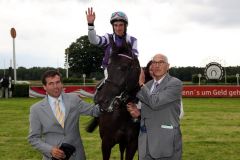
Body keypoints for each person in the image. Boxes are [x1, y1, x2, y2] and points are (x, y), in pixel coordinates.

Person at [28, 70, 100, 160]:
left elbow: (95, 111)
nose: (56, 87)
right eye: (51, 83)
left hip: (77, 155)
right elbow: (33, 138)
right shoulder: (36, 109)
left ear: (62, 83)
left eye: (58, 82)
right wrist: (50, 150)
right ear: (44, 87)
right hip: (52, 157)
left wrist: (111, 98)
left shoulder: (74, 99)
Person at [127, 53, 183, 160]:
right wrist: (139, 113)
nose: (157, 65)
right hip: (145, 143)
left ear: (168, 66)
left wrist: (141, 84)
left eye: (161, 62)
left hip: (165, 142)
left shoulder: (175, 83)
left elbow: (155, 102)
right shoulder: (148, 86)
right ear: (151, 66)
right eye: (154, 62)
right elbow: (150, 108)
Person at [86, 7, 139, 78]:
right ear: (113, 26)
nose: (118, 28)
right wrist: (90, 25)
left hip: (126, 73)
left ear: (125, 26)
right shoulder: (108, 37)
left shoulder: (133, 40)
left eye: (121, 25)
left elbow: (134, 59)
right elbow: (94, 40)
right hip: (109, 72)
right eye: (115, 25)